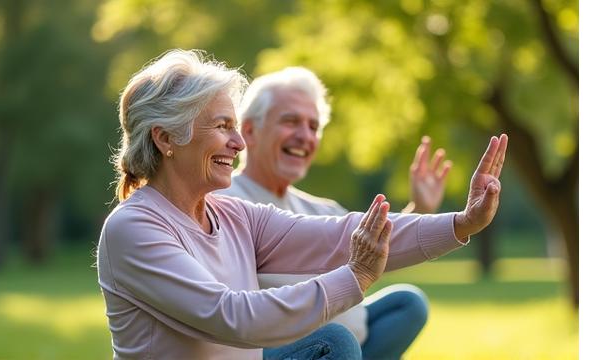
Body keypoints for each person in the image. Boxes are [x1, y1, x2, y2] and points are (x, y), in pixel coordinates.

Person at [96, 49, 509, 360]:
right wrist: (357, 275)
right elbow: (233, 315)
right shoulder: (134, 227)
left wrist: (462, 222)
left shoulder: (230, 214)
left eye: (235, 128)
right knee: (333, 343)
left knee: (384, 317)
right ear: (165, 138)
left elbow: (340, 235)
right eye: (223, 127)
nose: (238, 144)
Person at [216, 67, 452, 359]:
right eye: (291, 122)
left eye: (313, 127)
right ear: (249, 130)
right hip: (277, 351)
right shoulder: (221, 201)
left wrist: (421, 210)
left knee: (407, 304)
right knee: (336, 340)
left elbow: (374, 255)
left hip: (349, 346)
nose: (304, 136)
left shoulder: (323, 210)